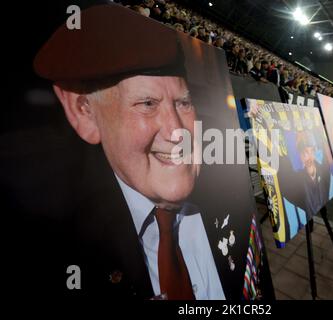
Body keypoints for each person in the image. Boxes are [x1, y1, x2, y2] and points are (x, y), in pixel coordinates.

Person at [27, 3, 239, 300]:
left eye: (184, 103)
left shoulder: (232, 195)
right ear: (84, 112)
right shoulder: (64, 244)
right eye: (147, 104)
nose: (177, 131)